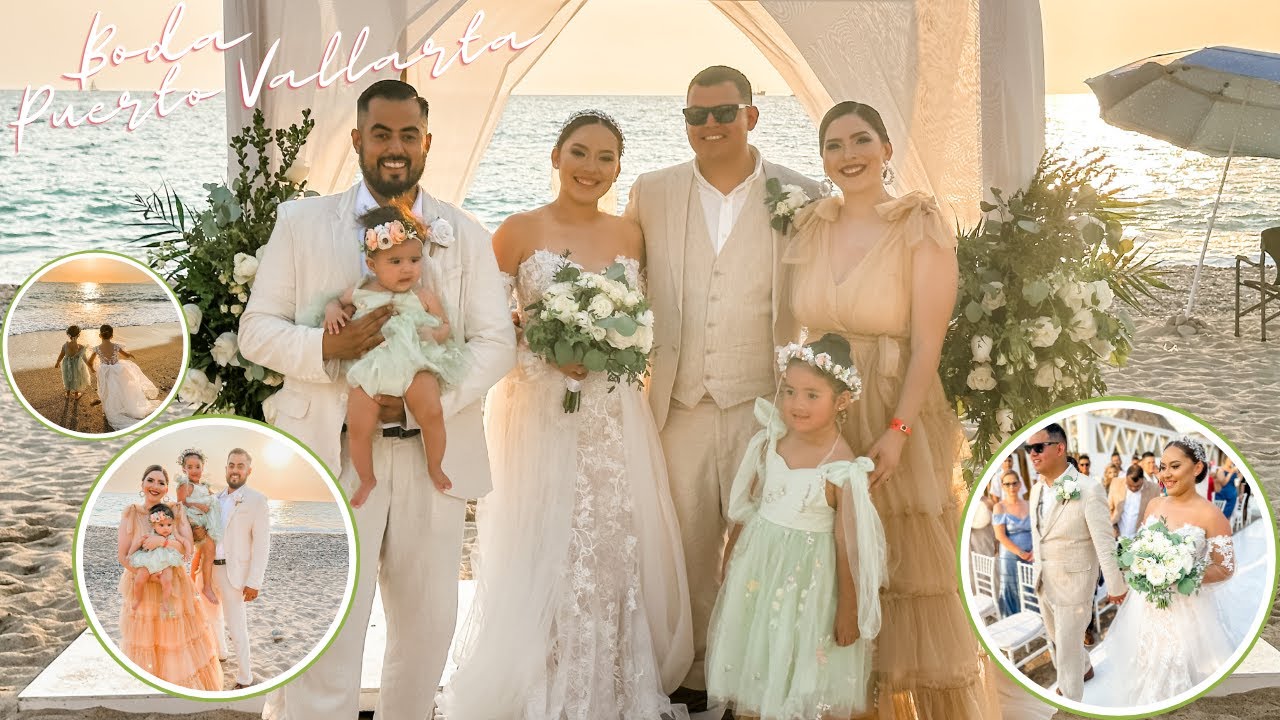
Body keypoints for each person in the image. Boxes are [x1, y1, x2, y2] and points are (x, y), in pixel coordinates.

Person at [246, 79, 515, 719]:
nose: (395, 148)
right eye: (381, 134)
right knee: (332, 621)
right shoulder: (303, 223)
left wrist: (424, 406)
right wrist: (327, 351)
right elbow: (257, 332)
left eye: (407, 135)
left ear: (426, 142)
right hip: (332, 452)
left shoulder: (466, 233)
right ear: (358, 140)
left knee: (427, 630)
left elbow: (494, 343)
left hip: (431, 457)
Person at [441, 110, 692, 719]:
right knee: (542, 543)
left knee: (611, 545)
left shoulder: (631, 236)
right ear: (556, 157)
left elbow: (645, 320)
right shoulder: (518, 231)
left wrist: (612, 344)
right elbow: (486, 324)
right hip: (539, 413)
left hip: (613, 417)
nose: (592, 167)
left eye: (606, 158)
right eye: (580, 152)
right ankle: (541, 687)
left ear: (617, 169)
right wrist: (539, 338)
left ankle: (611, 686)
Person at [783, 100, 1000, 716]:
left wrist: (899, 430)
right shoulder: (811, 226)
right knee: (825, 556)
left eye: (860, 141)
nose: (848, 155)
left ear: (886, 150)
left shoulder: (919, 224)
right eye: (834, 144)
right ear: (823, 158)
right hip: (820, 406)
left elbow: (929, 342)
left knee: (900, 565)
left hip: (889, 402)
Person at [623, 65, 820, 710]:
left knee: (763, 542)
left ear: (751, 116)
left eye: (723, 112)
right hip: (677, 399)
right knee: (684, 545)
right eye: (695, 115)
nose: (709, 126)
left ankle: (754, 677)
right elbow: (620, 283)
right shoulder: (650, 192)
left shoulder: (804, 194)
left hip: (766, 401)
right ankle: (694, 672)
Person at [706, 333, 885, 719]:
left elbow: (848, 544)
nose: (795, 404)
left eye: (810, 395)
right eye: (788, 391)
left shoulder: (842, 468)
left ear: (841, 401)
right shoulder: (772, 442)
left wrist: (848, 610)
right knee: (760, 652)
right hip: (759, 570)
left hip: (807, 583)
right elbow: (750, 506)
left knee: (796, 657)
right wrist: (731, 554)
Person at [324, 204, 469, 507]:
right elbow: (335, 301)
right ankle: (367, 478)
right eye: (396, 261)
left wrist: (435, 334)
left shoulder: (423, 296)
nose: (407, 269)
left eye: (414, 260)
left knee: (431, 412)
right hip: (372, 368)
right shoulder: (362, 291)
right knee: (359, 425)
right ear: (372, 265)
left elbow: (445, 325)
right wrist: (333, 312)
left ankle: (435, 465)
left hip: (417, 363)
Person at [1089, 437, 1238, 706]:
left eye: (1175, 466)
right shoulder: (1155, 505)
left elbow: (1225, 567)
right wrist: (1137, 562)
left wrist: (1180, 572)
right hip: (1144, 606)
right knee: (1141, 666)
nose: (1165, 474)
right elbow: (1141, 544)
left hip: (1185, 612)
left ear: (1196, 468)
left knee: (1174, 673)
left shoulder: (1212, 515)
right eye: (1162, 466)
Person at [1025, 423, 1127, 701]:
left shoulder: (1089, 488)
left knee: (1066, 651)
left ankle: (1069, 700)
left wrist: (1116, 585)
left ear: (1060, 448)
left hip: (1075, 583)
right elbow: (1039, 536)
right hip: (1044, 580)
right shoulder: (1035, 491)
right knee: (1058, 639)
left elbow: (1104, 543)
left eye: (1037, 447)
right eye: (1028, 449)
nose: (1032, 454)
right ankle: (1086, 667)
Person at [116, 465, 221, 690]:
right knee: (145, 639)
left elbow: (188, 549)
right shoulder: (131, 513)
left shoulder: (177, 510)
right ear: (142, 484)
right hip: (141, 583)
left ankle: (176, 685)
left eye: (161, 482)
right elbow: (123, 556)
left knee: (174, 638)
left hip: (172, 583)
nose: (155, 486)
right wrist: (147, 574)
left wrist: (162, 542)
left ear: (166, 488)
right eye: (151, 480)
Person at [213, 448, 270, 690]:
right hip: (209, 570)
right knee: (213, 619)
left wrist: (254, 582)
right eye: (231, 465)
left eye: (240, 466)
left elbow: (262, 544)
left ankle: (245, 677)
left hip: (235, 574)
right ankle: (221, 655)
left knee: (237, 626)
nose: (235, 470)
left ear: (248, 470)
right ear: (226, 468)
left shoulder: (257, 500)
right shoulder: (215, 499)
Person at [86, 324, 160, 431]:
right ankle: (123, 405)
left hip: (104, 372)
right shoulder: (116, 346)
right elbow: (126, 355)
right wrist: (130, 354)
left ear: (100, 335)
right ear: (112, 336)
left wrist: (93, 369)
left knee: (107, 390)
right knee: (122, 388)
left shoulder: (97, 349)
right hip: (118, 370)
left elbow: (89, 362)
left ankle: (111, 408)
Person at [175, 448, 221, 605]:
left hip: (205, 520)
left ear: (203, 467)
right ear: (184, 469)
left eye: (197, 467)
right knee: (210, 551)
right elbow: (180, 503)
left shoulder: (204, 485)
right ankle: (206, 587)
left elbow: (215, 498)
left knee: (202, 553)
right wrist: (198, 505)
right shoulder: (185, 485)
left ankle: (193, 583)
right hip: (193, 522)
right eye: (190, 467)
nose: (194, 470)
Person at [127, 503, 185, 615]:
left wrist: (187, 550)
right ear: (153, 526)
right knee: (140, 579)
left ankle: (165, 602)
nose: (166, 528)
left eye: (169, 525)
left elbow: (184, 542)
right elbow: (138, 543)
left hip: (166, 561)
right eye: (161, 525)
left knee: (167, 580)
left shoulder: (173, 535)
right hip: (149, 561)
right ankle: (137, 599)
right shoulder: (149, 535)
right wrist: (130, 553)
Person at [993, 472, 1032, 616]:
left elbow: (1036, 530)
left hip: (1031, 554)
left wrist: (1034, 551)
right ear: (1002, 486)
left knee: (1031, 585)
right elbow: (1000, 536)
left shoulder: (1028, 504)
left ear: (1020, 484)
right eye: (1007, 484)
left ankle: (1033, 617)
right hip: (1010, 556)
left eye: (1014, 483)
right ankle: (1014, 619)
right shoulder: (999, 507)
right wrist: (1021, 552)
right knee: (1012, 587)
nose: (1011, 487)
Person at [1108, 464, 1159, 539]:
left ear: (1143, 479)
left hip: (1138, 539)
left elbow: (1155, 515)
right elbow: (1109, 508)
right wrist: (1112, 526)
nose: (1133, 488)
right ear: (1126, 478)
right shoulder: (1116, 483)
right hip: (1117, 536)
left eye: (1137, 486)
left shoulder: (1154, 489)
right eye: (1130, 485)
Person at [53, 324, 91, 400]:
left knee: (67, 377)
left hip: (67, 364)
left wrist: (57, 363)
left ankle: (67, 394)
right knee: (76, 377)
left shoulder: (65, 345)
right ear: (79, 335)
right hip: (77, 365)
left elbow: (61, 355)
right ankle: (76, 395)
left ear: (68, 335)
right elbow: (85, 359)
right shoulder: (81, 347)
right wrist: (91, 367)